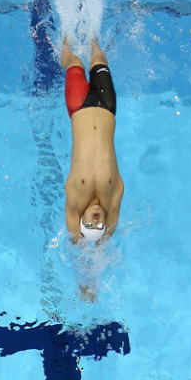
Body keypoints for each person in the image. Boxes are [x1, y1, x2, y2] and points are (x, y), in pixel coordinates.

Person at [60, 37, 123, 246]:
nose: (95, 221)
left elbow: (74, 239)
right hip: (107, 106)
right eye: (99, 226)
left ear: (80, 222)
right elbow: (111, 223)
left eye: (89, 226)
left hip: (78, 106)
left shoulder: (75, 196)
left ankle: (65, 37)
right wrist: (100, 244)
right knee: (98, 58)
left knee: (73, 60)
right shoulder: (113, 195)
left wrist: (84, 275)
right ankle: (92, 35)